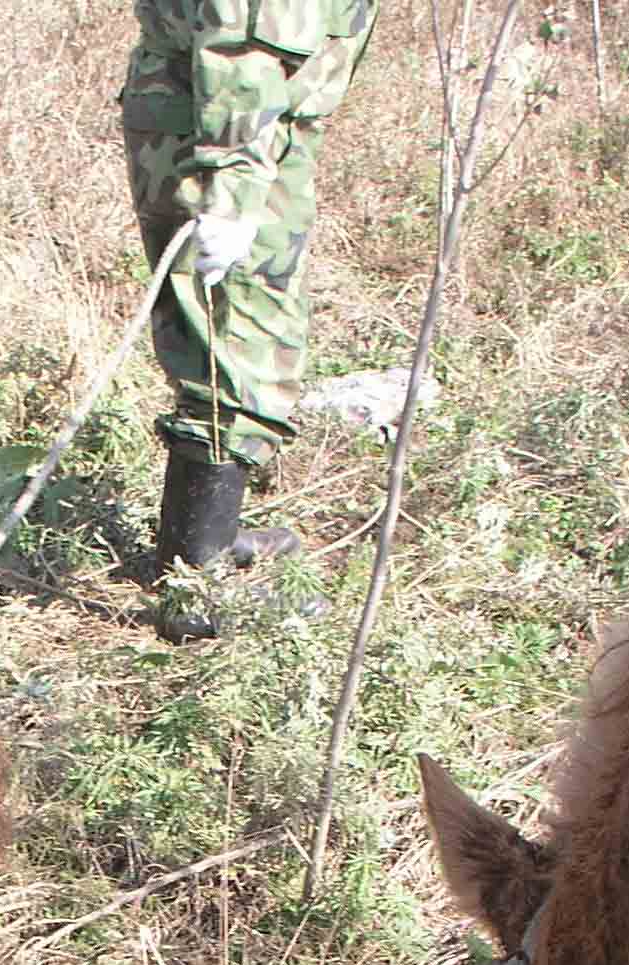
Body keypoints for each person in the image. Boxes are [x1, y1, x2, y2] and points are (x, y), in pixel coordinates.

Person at [120, 0, 380, 639]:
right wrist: (230, 193)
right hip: (226, 133)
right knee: (231, 346)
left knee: (240, 336)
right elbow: (246, 40)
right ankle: (193, 594)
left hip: (244, 125)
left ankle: (204, 544)